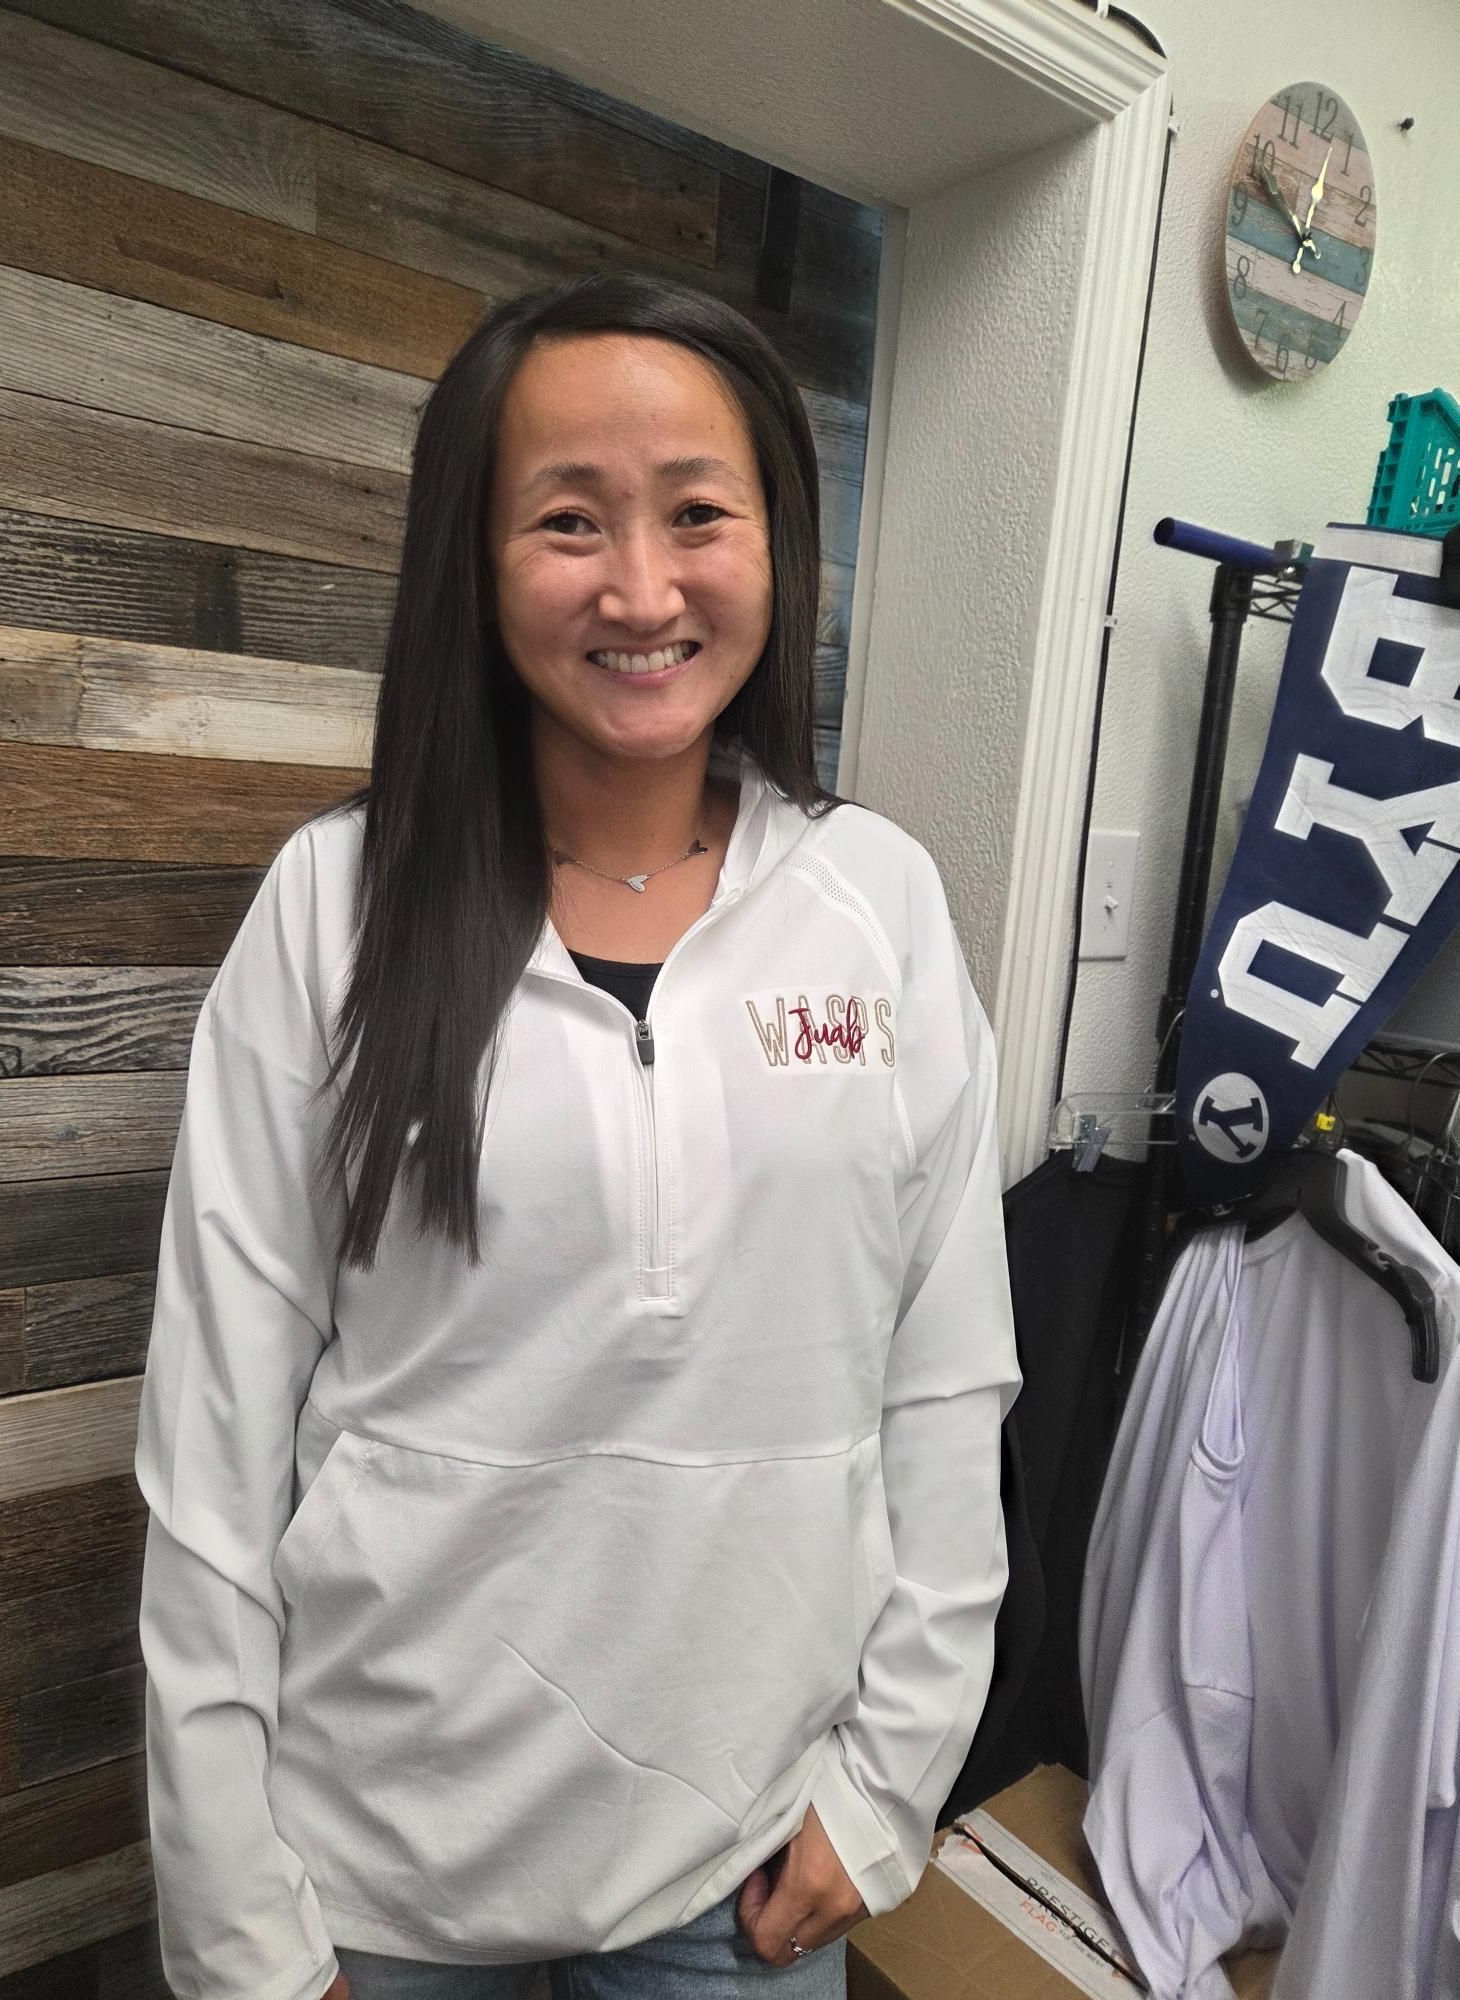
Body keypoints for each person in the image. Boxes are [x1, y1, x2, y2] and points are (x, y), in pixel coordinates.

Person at [135, 270, 1020, 2000]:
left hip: (742, 1868)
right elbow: (212, 1442)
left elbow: (945, 1379)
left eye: (697, 513)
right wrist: (239, 1918)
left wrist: (889, 1787)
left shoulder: (880, 906)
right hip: (374, 1881)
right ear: (473, 562)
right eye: (567, 520)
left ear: (779, 542)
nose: (641, 587)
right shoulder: (335, 909)